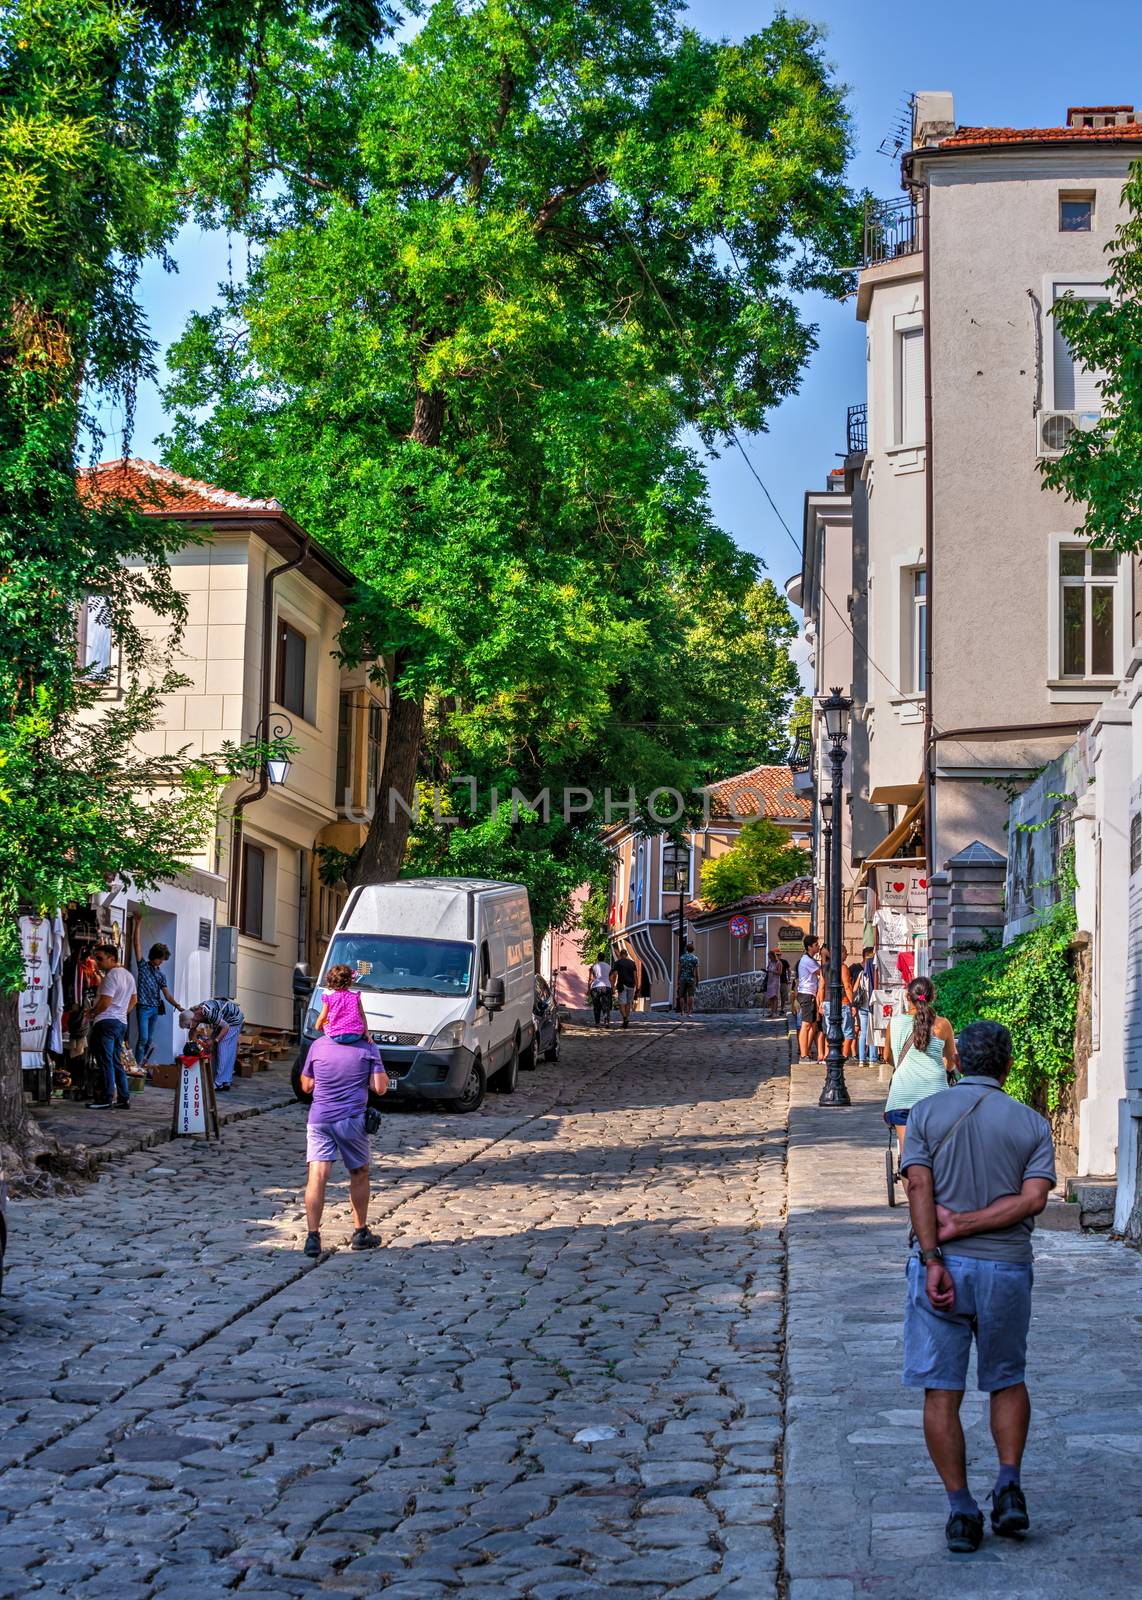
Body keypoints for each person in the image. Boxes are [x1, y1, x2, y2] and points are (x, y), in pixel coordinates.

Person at [902, 1020, 1056, 1555]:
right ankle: (1009, 1485)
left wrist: (934, 1253)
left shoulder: (925, 1114)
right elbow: (1033, 1200)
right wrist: (971, 1226)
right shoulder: (1033, 1124)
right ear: (1008, 1065)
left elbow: (918, 1183)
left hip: (940, 1266)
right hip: (1007, 1270)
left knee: (942, 1391)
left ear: (958, 1060)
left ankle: (962, 1512)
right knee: (1007, 1380)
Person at [299, 1032, 389, 1256]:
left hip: (319, 1119)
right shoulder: (367, 1047)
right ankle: (360, 1232)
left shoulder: (318, 1045)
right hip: (351, 1120)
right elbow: (380, 1087)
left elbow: (306, 1085)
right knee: (359, 1172)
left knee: (317, 1175)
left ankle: (312, 1238)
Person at [884, 977, 959, 1162]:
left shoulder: (894, 1023)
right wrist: (947, 1070)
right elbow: (952, 1059)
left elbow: (887, 1057)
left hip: (903, 1094)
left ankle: (914, 1187)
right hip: (935, 1095)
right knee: (938, 1152)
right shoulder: (943, 1025)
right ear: (932, 997)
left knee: (909, 1155)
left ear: (908, 997)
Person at [86, 944, 137, 1110]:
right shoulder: (128, 976)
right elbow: (134, 1000)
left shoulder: (111, 976)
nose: (96, 962)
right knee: (115, 1061)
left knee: (105, 1060)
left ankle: (106, 1098)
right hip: (120, 1023)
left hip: (106, 1022)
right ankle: (123, 1097)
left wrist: (92, 1013)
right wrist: (121, 1012)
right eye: (95, 958)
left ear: (112, 958)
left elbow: (106, 1002)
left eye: (100, 958)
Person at [182, 995, 245, 1090]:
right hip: (224, 1021)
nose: (189, 1028)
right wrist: (193, 1043)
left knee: (223, 1047)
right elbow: (192, 1032)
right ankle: (226, 1080)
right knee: (217, 1050)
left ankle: (219, 1082)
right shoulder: (194, 1014)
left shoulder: (206, 1012)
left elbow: (226, 1027)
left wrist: (214, 1040)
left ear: (192, 1020)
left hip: (233, 1020)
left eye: (188, 1026)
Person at [135, 943, 182, 1068]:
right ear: (154, 956)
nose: (161, 962)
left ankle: (142, 1066)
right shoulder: (143, 966)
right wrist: (137, 925)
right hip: (143, 1007)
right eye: (160, 959)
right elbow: (137, 946)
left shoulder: (161, 975)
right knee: (143, 1039)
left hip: (154, 1009)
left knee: (148, 1040)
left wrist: (177, 1006)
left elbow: (167, 994)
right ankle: (137, 1067)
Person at [315, 963, 368, 1044]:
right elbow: (362, 1014)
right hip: (355, 1034)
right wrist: (366, 1032)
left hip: (335, 1035)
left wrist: (318, 1027)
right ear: (350, 981)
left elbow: (323, 1017)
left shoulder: (329, 997)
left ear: (330, 981)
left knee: (326, 1024)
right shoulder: (355, 996)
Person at [795, 935, 821, 1061]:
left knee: (813, 1025)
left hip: (810, 994)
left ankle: (807, 1050)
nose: (818, 946)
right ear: (810, 947)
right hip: (807, 994)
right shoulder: (807, 961)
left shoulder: (810, 959)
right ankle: (804, 1054)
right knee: (806, 1025)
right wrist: (825, 957)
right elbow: (822, 973)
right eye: (816, 945)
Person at [855, 945, 876, 1063]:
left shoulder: (861, 974)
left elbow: (854, 989)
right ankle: (873, 1058)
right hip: (871, 1005)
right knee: (872, 1032)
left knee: (863, 1033)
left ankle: (862, 1059)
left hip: (862, 1005)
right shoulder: (874, 973)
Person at [611, 947, 639, 1029]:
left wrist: (613, 986)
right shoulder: (632, 963)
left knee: (621, 1004)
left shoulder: (618, 963)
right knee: (628, 1003)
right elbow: (635, 975)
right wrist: (637, 986)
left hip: (622, 985)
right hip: (631, 985)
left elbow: (615, 974)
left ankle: (625, 1018)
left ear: (620, 954)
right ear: (626, 955)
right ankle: (626, 1019)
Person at [587, 954, 613, 1027]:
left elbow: (591, 979)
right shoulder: (609, 967)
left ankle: (597, 1023)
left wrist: (588, 989)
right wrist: (612, 988)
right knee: (606, 1005)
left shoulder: (593, 967)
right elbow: (611, 979)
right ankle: (606, 1022)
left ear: (598, 958)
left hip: (596, 987)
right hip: (606, 986)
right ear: (604, 958)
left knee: (596, 1006)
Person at [678, 943, 700, 1017]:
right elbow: (696, 971)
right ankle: (689, 1012)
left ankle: (682, 1012)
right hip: (691, 979)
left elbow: (679, 969)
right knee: (691, 995)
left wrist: (678, 979)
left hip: (683, 978)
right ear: (693, 950)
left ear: (686, 949)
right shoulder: (695, 958)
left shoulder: (682, 958)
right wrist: (697, 980)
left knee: (681, 995)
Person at [764, 949, 782, 1017]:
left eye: (770, 956)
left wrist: (772, 971)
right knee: (770, 997)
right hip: (770, 981)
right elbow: (768, 969)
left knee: (775, 996)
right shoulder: (770, 962)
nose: (769, 957)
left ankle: (775, 1012)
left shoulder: (778, 963)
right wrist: (766, 971)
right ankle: (772, 1012)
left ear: (773, 955)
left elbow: (780, 973)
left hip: (775, 982)